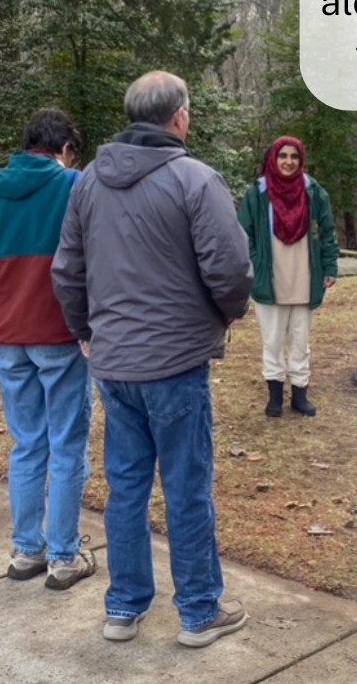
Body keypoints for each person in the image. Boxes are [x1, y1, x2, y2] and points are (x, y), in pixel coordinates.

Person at [52, 71, 253, 647]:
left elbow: (67, 270)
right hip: (174, 362)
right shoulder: (194, 179)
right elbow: (231, 269)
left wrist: (85, 329)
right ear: (180, 117)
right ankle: (198, 610)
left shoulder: (89, 182)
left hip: (115, 362)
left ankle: (124, 605)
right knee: (186, 488)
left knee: (127, 486)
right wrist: (226, 314)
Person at [0, 110, 95, 590]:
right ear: (66, 150)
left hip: (8, 335)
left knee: (28, 444)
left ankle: (27, 550)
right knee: (67, 446)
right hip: (59, 334)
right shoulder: (73, 185)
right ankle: (63, 555)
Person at [238, 136, 339, 418]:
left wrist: (330, 266)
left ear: (301, 160)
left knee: (300, 340)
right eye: (283, 156)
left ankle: (300, 394)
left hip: (305, 277)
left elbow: (328, 231)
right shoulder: (257, 194)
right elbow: (242, 234)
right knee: (272, 341)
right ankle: (274, 396)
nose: (288, 162)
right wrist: (255, 264)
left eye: (294, 157)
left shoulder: (314, 192)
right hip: (270, 278)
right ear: (273, 159)